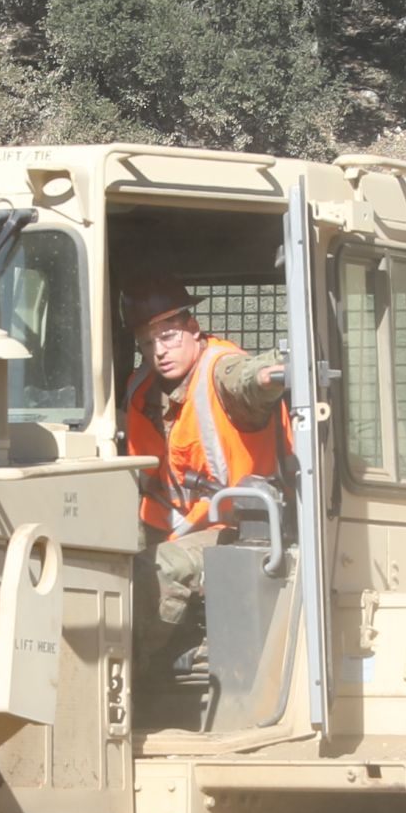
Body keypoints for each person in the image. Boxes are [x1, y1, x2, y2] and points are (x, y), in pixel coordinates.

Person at [122, 279, 292, 700]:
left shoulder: (220, 372)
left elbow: (250, 378)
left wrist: (277, 372)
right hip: (173, 523)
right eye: (147, 343)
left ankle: (134, 684)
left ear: (193, 327)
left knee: (154, 570)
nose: (158, 351)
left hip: (237, 527)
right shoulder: (142, 388)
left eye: (168, 336)